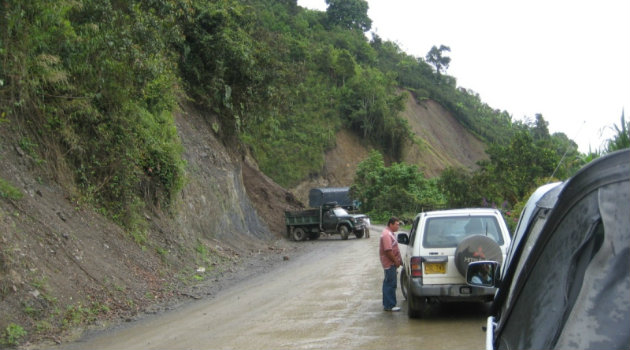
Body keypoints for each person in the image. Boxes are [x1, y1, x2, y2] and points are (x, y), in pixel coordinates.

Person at [379, 217, 402, 311]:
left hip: (390, 262)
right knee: (390, 284)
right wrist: (396, 261)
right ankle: (390, 305)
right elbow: (388, 250)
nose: (398, 226)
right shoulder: (386, 235)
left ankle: (388, 304)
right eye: (397, 224)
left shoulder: (390, 233)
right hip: (389, 263)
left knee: (389, 283)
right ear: (391, 224)